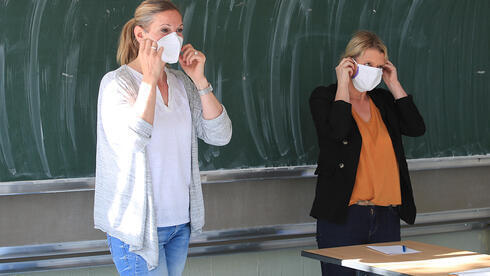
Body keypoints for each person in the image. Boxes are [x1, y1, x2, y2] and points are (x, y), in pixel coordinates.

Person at [94, 1, 232, 275]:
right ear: (140, 34)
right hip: (139, 228)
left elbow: (220, 135)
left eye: (179, 30)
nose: (175, 38)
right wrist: (150, 78)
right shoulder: (116, 84)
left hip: (180, 222)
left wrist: (200, 81)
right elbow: (134, 139)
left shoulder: (181, 83)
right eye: (165, 29)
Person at [309, 30, 425, 275]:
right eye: (369, 64)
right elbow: (337, 132)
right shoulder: (324, 97)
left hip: (386, 215)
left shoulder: (382, 100)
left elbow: (416, 128)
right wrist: (343, 83)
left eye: (380, 66)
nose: (375, 71)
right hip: (344, 216)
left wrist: (393, 83)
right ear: (349, 63)